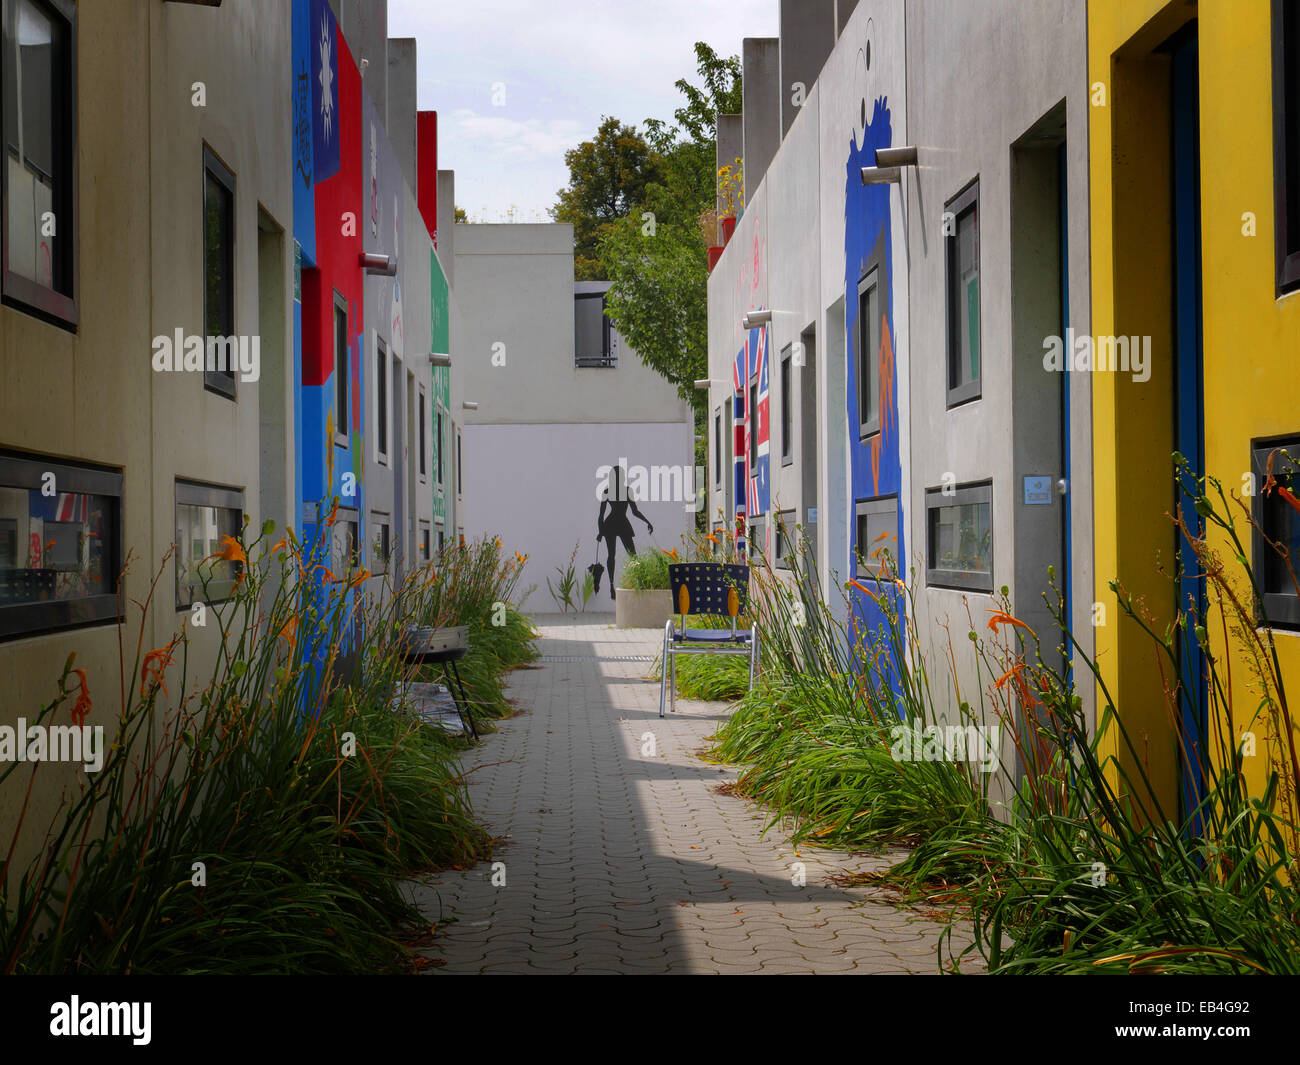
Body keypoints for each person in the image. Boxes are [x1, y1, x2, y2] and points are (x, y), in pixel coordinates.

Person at [597, 465, 652, 599]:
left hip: (612, 525)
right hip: (620, 524)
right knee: (630, 555)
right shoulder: (624, 490)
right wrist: (647, 522)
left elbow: (601, 516)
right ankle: (615, 584)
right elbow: (634, 511)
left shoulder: (610, 491)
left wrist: (601, 532)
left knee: (620, 555)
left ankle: (619, 584)